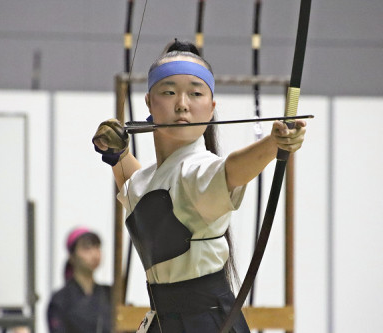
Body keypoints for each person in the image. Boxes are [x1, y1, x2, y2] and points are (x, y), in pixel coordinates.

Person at [93, 39, 306, 332]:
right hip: (165, 320)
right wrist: (118, 154)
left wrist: (273, 144)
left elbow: (229, 171)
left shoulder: (198, 171)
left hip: (205, 322)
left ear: (211, 108)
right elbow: (139, 186)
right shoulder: (155, 177)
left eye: (195, 93)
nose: (182, 104)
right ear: (149, 103)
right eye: (168, 92)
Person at [47, 227, 111, 333]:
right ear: (72, 256)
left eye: (97, 247)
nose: (94, 254)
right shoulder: (60, 299)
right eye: (87, 248)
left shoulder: (110, 294)